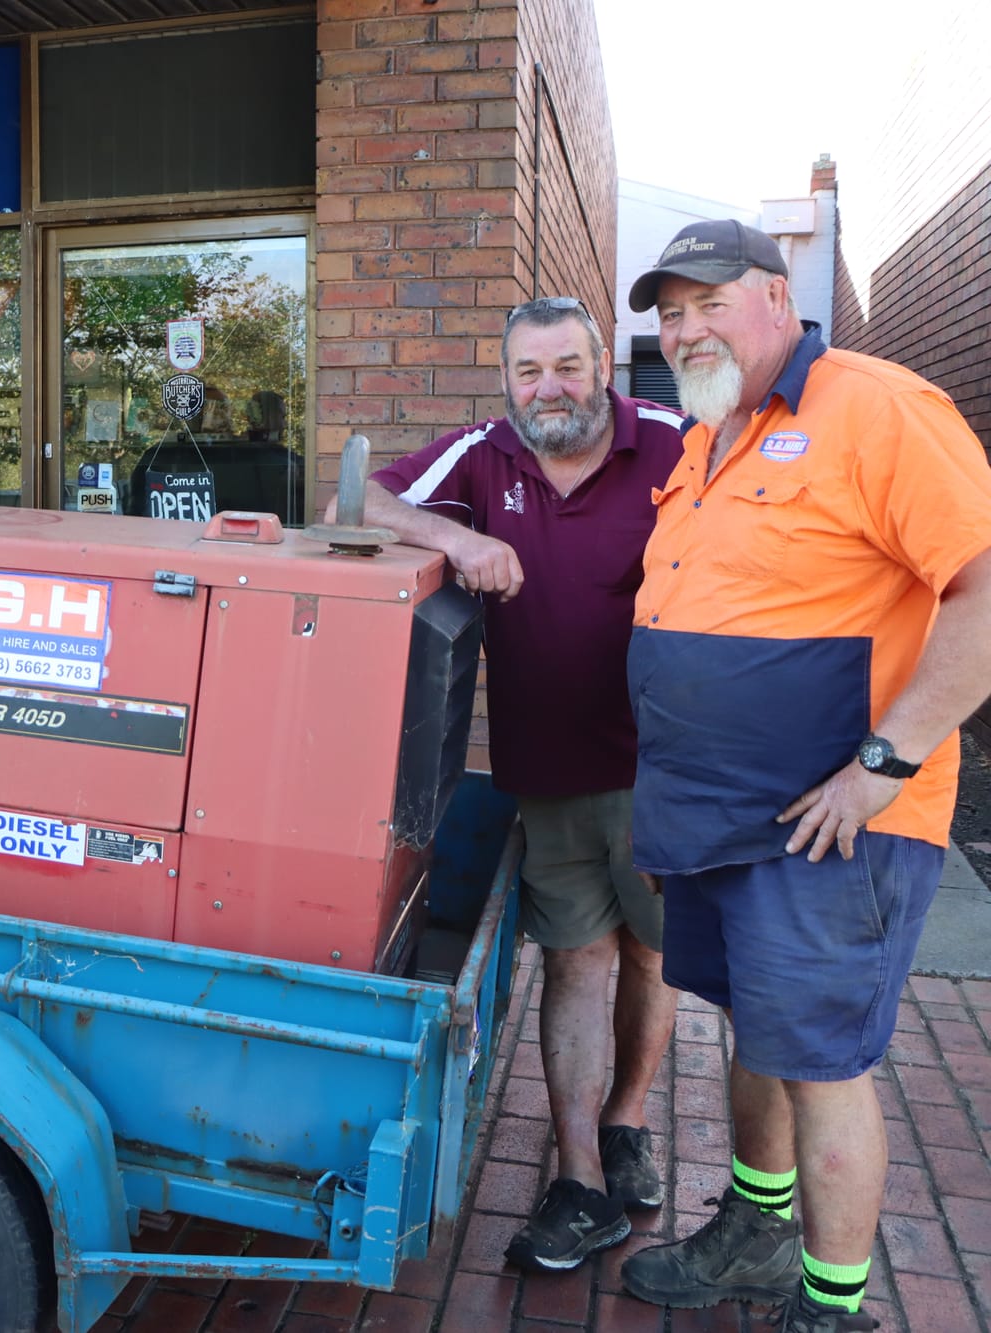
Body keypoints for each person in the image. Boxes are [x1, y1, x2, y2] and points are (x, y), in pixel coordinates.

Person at [618, 220, 991, 1333]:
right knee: (755, 1032)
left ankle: (829, 1308)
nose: (684, 328)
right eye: (668, 312)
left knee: (821, 1062)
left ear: (776, 297)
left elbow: (979, 590)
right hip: (723, 811)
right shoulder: (710, 432)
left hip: (834, 824)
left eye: (706, 302)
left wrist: (882, 766)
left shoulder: (875, 407)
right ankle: (754, 1230)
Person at [357, 296, 686, 1273]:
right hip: (545, 772)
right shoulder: (484, 453)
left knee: (654, 955)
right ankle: (580, 1177)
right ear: (507, 382)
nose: (548, 388)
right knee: (577, 960)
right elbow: (360, 500)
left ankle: (625, 1120)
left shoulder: (673, 444)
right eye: (528, 371)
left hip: (664, 773)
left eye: (567, 367)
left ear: (603, 370)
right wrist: (454, 539)